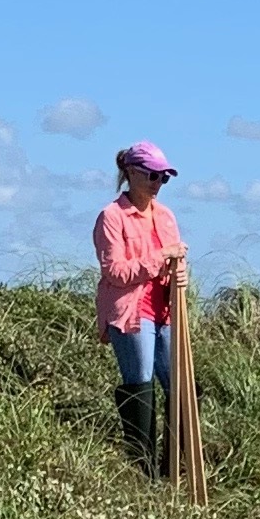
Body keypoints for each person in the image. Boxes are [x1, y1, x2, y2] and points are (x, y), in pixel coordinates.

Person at [93, 145, 185, 470]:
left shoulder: (166, 217)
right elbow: (115, 272)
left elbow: (176, 262)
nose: (158, 182)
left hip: (166, 310)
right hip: (131, 312)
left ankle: (176, 465)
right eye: (151, 174)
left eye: (163, 177)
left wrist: (179, 271)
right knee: (140, 381)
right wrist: (161, 258)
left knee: (179, 384)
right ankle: (141, 468)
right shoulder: (111, 217)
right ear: (131, 172)